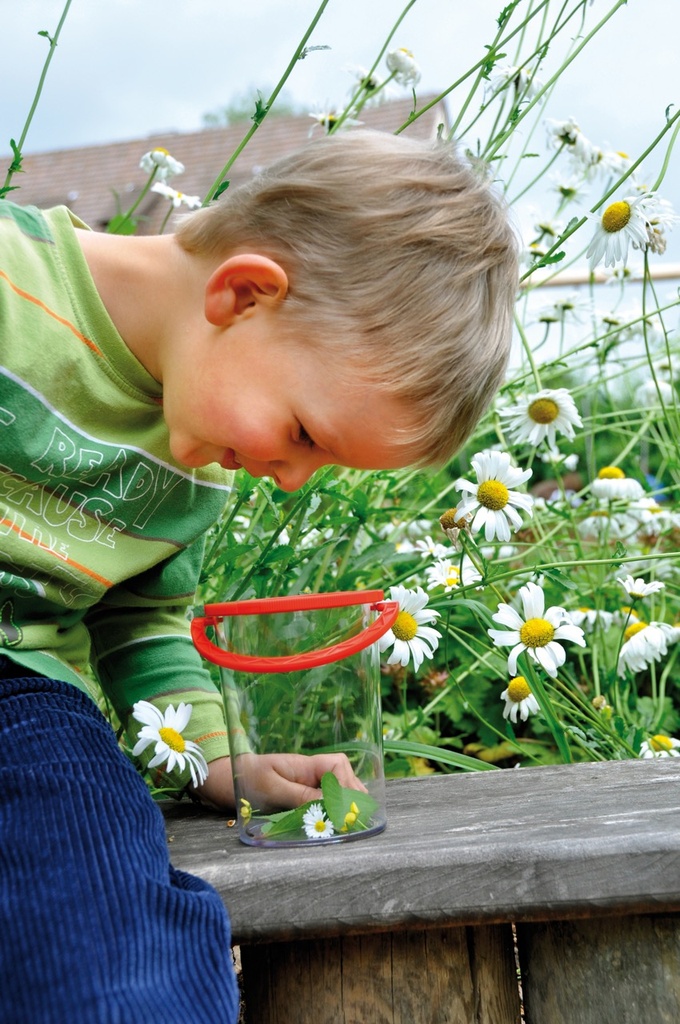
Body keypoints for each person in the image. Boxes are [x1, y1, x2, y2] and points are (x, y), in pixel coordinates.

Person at [0, 128, 518, 1022]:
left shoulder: (194, 469)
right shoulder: (13, 284)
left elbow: (141, 623)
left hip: (22, 702)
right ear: (243, 294)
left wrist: (216, 759)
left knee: (109, 927)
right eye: (305, 435)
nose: (289, 479)